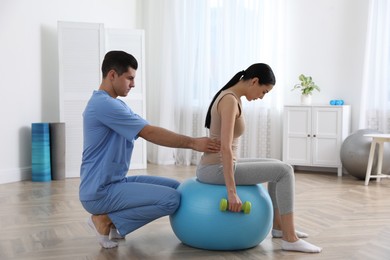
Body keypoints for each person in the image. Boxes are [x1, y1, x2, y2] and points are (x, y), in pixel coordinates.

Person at [79, 50, 220, 249]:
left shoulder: (115, 104)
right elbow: (149, 132)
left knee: (175, 187)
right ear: (112, 75)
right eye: (130, 78)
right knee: (172, 200)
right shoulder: (103, 105)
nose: (133, 84)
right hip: (100, 191)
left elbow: (147, 129)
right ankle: (105, 219)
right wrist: (193, 143)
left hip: (114, 183)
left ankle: (112, 222)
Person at [196, 63, 322, 253]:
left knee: (281, 166)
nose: (262, 97)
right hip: (215, 169)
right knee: (285, 172)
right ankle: (290, 238)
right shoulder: (230, 100)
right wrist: (232, 192)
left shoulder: (232, 96)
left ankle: (280, 228)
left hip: (218, 165)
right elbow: (225, 148)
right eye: (264, 91)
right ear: (254, 81)